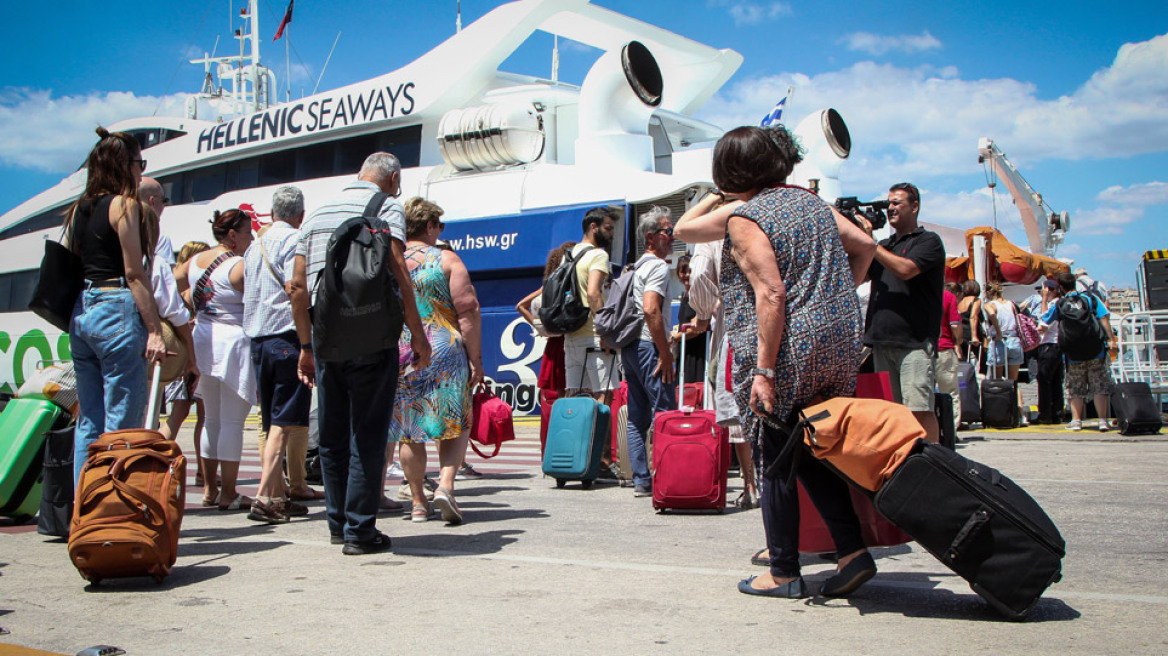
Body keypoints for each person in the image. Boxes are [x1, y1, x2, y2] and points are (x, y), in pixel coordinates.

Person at [687, 125, 876, 599]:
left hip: (786, 349)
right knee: (809, 447)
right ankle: (852, 551)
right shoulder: (814, 205)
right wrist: (828, 302)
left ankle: (784, 571)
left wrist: (765, 372)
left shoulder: (746, 217)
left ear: (729, 170)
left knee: (776, 457)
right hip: (838, 341)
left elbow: (770, 292)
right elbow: (868, 246)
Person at [290, 152, 430, 555]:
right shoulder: (387, 207)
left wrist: (305, 345)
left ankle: (337, 525)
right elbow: (399, 270)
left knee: (332, 435)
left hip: (327, 335)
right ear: (394, 178)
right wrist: (416, 335)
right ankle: (360, 531)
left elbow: (297, 287)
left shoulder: (317, 214)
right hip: (372, 334)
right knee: (366, 435)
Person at [68, 127, 167, 483]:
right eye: (140, 163)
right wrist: (155, 330)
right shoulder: (123, 206)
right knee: (122, 420)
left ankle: (84, 509)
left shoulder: (79, 209)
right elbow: (134, 274)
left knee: (89, 420)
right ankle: (111, 510)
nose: (141, 170)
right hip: (116, 309)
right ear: (125, 165)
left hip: (83, 311)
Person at [390, 197, 483, 524]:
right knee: (456, 420)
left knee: (409, 428)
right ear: (429, 226)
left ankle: (417, 502)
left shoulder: (393, 260)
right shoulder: (446, 259)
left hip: (403, 350)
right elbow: (467, 309)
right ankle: (445, 484)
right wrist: (476, 360)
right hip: (444, 347)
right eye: (438, 225)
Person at [242, 185, 318, 524]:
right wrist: (307, 345)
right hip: (285, 337)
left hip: (257, 340)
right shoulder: (293, 241)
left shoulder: (254, 246)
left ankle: (275, 494)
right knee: (283, 424)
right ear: (300, 215)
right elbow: (296, 289)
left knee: (271, 419)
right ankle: (264, 496)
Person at [861, 182, 945, 443]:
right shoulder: (885, 245)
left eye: (897, 203)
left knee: (918, 410)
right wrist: (856, 242)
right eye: (889, 203)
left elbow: (906, 270)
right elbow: (858, 277)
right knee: (892, 415)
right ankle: (903, 467)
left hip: (914, 343)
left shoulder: (928, 241)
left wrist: (872, 245)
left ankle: (934, 464)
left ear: (915, 206)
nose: (891, 208)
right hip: (882, 342)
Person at [183, 208, 255, 511]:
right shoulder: (239, 265)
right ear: (232, 235)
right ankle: (229, 493)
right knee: (232, 423)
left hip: (203, 341)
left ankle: (211, 490)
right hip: (233, 345)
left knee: (211, 419)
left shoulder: (195, 262)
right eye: (248, 231)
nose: (251, 236)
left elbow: (177, 287)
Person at [622, 206, 677, 498]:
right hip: (648, 346)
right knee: (665, 411)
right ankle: (670, 478)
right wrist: (664, 352)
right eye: (668, 232)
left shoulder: (634, 267)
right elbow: (650, 309)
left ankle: (642, 480)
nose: (673, 237)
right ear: (651, 237)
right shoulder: (657, 266)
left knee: (637, 417)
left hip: (630, 347)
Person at [517, 242, 577, 455]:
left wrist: (540, 326)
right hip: (568, 344)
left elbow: (521, 305)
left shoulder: (549, 285)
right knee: (571, 402)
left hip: (552, 347)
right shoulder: (567, 285)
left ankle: (550, 452)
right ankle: (567, 450)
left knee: (551, 403)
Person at [1042, 272, 1117, 431]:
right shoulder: (1090, 299)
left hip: (1072, 353)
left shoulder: (1060, 303)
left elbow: (1045, 320)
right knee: (1099, 385)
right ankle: (1102, 420)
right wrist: (1111, 339)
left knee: (1075, 386)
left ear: (1060, 287)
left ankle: (1076, 421)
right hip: (1095, 349)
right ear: (1075, 283)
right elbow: (1104, 317)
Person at [160, 241, 209, 477]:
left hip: (181, 360)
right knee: (191, 417)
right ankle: (159, 461)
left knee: (179, 417)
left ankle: (200, 469)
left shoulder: (175, 289)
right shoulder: (191, 290)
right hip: (190, 361)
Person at [564, 207, 619, 398]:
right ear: (594, 227)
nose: (612, 234)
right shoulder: (598, 255)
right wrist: (605, 332)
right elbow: (593, 294)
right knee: (604, 396)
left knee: (575, 396)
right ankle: (600, 430)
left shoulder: (569, 255)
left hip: (571, 336)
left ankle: (576, 429)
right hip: (594, 336)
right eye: (609, 228)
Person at [983, 282, 1027, 424]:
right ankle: (1020, 413)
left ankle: (1000, 411)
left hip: (999, 341)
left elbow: (991, 314)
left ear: (989, 292)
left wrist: (998, 330)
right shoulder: (1011, 304)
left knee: (996, 381)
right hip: (1014, 340)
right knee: (1013, 381)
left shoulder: (989, 305)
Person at [671, 254, 709, 386]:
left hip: (698, 353)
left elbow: (697, 328)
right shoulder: (684, 296)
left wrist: (674, 338)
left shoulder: (699, 295)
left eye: (689, 271)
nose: (686, 275)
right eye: (683, 271)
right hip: (685, 352)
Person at [1033, 278, 1065, 424]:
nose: (1041, 293)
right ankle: (1057, 413)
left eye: (1043, 290)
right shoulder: (1061, 303)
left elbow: (1044, 322)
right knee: (1056, 380)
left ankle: (1045, 414)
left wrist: (1044, 299)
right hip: (1057, 345)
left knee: (1044, 379)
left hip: (1049, 344)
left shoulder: (1053, 304)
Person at [936, 282, 964, 423]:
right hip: (944, 349)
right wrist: (958, 341)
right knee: (949, 392)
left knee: (924, 394)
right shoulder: (948, 296)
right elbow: (955, 324)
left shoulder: (917, 294)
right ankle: (950, 430)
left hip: (921, 350)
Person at [957, 279, 983, 362]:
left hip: (962, 333)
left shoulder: (960, 302)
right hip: (971, 332)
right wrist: (974, 335)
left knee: (965, 358)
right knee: (980, 358)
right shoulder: (976, 300)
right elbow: (973, 317)